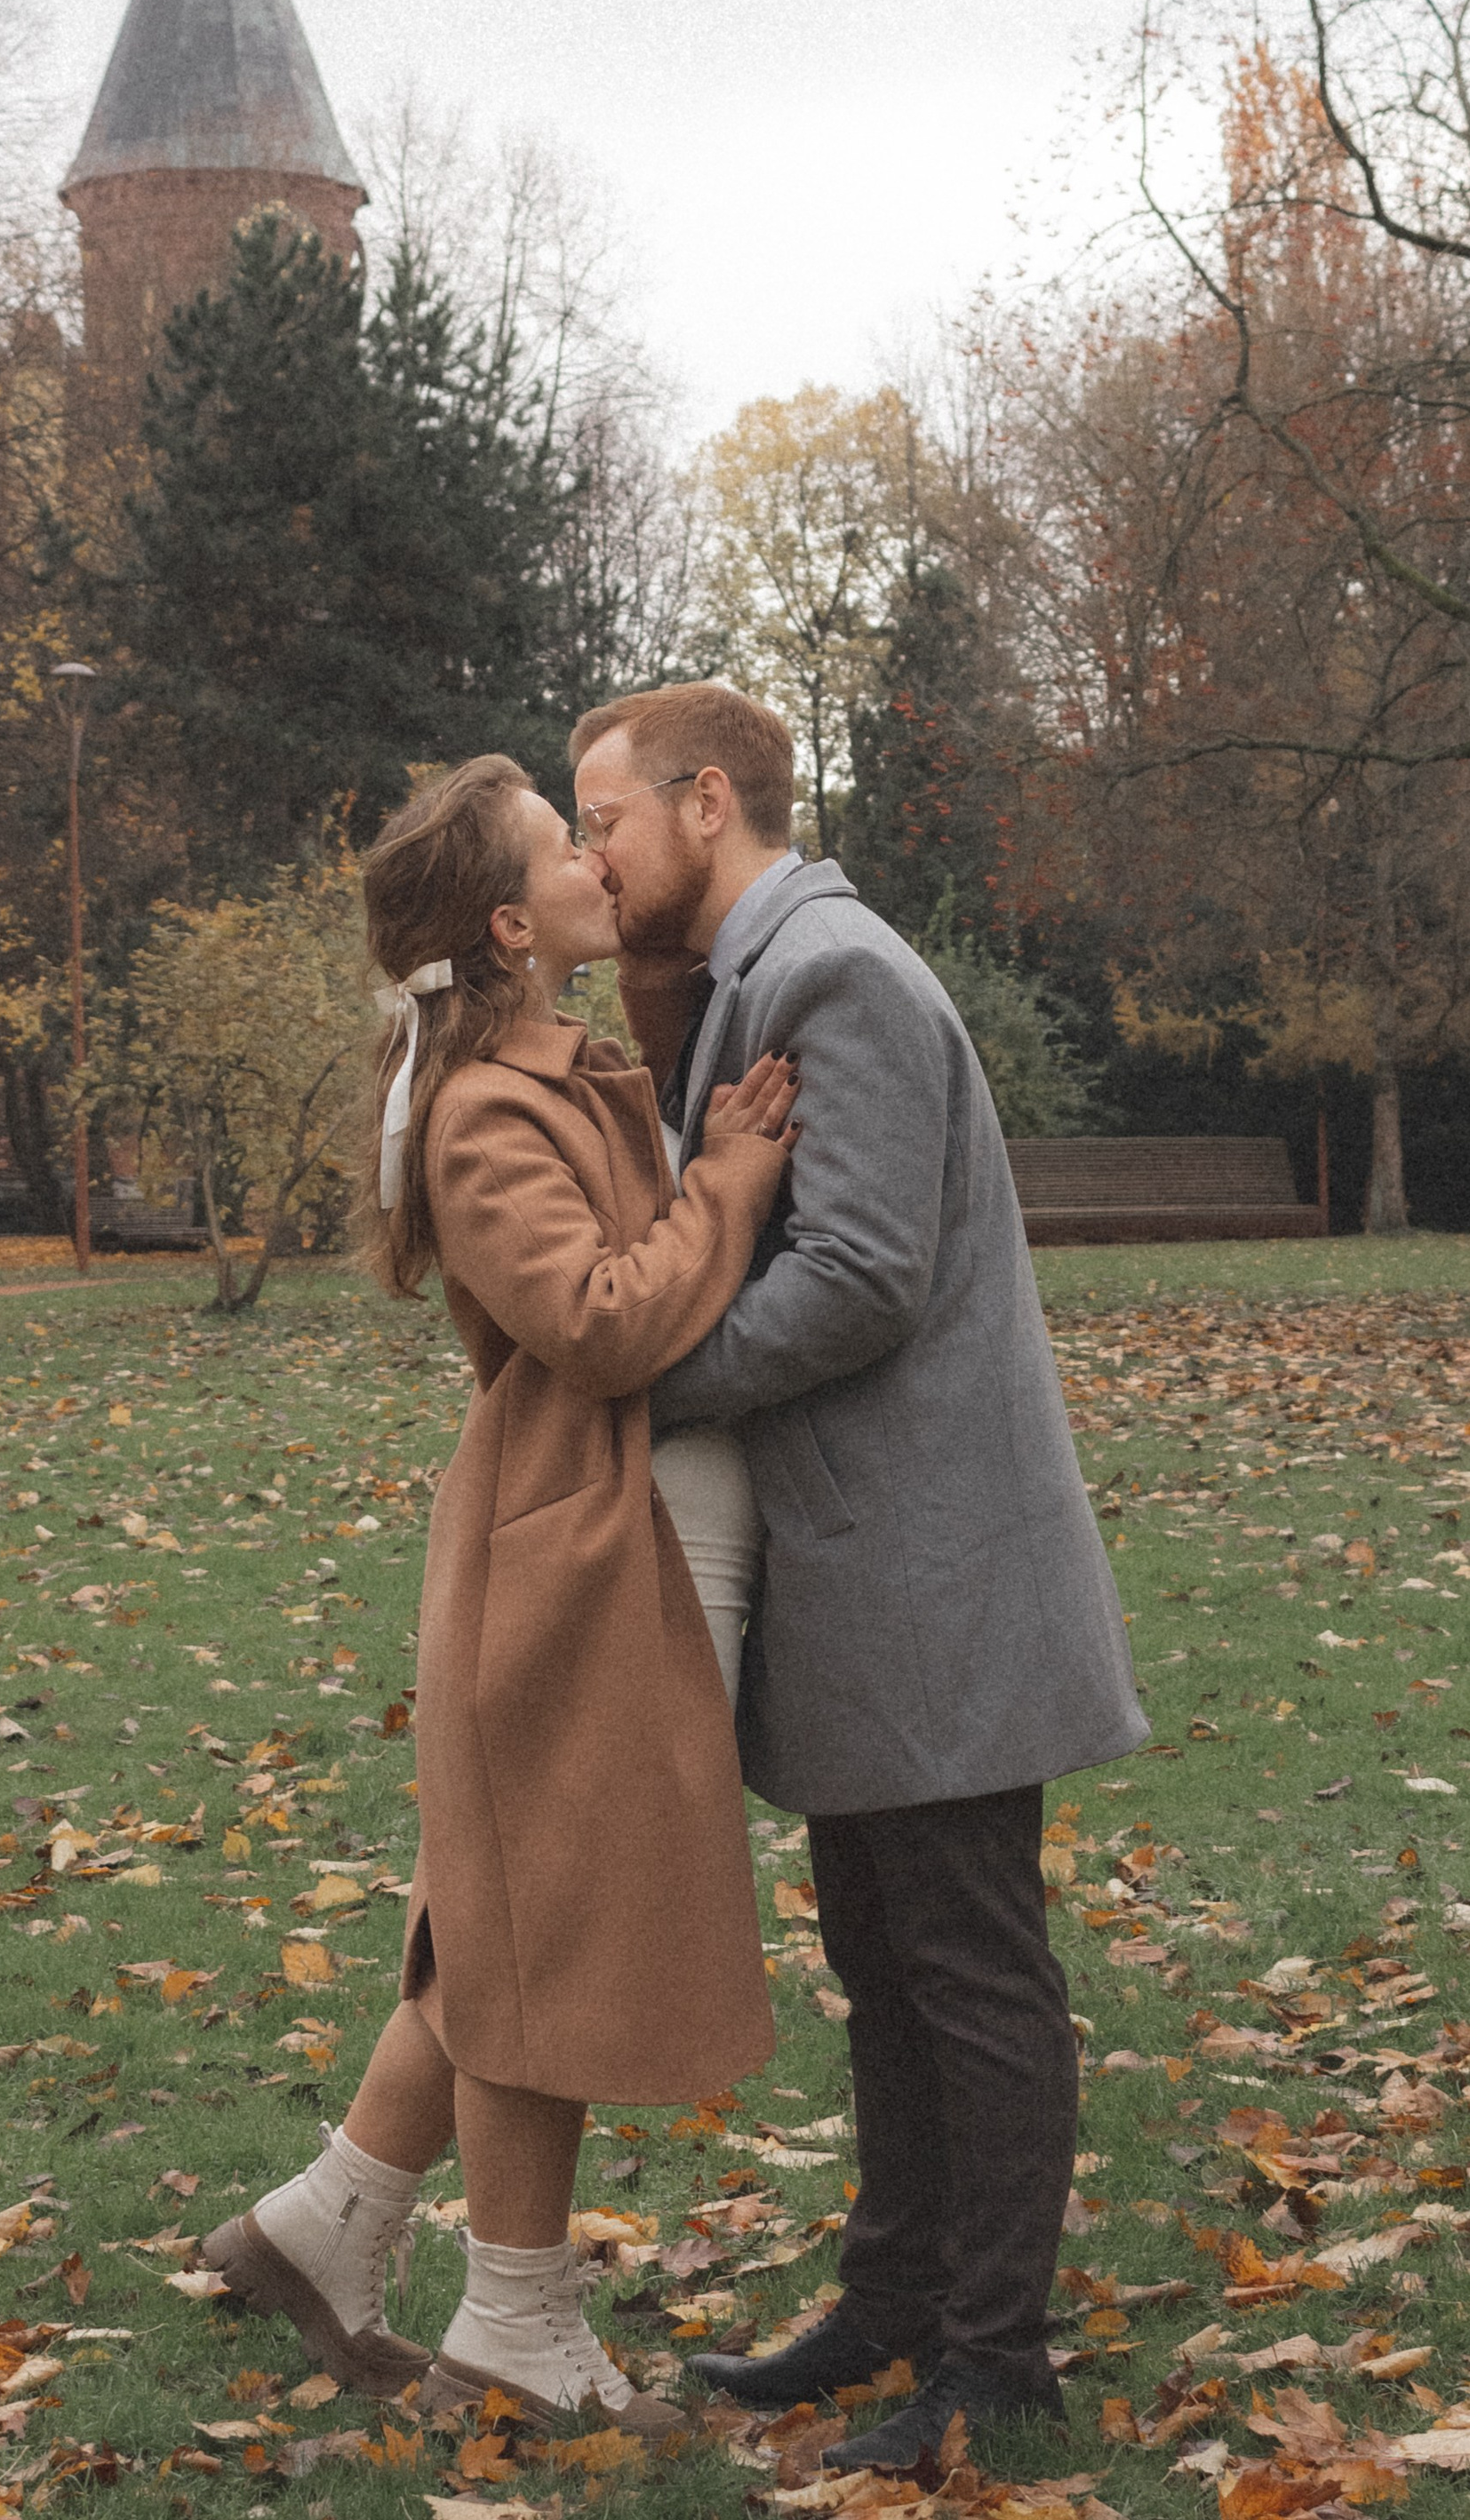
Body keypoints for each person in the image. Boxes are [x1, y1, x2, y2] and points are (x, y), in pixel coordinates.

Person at [566, 681, 1148, 2469]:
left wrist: (646, 1377)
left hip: (934, 1576)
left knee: (967, 1970)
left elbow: (863, 1279)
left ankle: (994, 2362)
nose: (589, 861)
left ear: (708, 800)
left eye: (604, 821)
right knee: (886, 1963)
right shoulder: (752, 978)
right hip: (867, 1580)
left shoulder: (833, 977)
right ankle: (895, 2306)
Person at [201, 754, 798, 2434]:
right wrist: (735, 1192)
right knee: (540, 1938)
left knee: (505, 1918)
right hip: (568, 1554)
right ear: (505, 921)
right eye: (566, 845)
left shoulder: (553, 1058)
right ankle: (519, 2335)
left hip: (594, 1543)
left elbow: (661, 965)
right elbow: (601, 1319)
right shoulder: (483, 1113)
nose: (601, 860)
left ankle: (325, 2229)